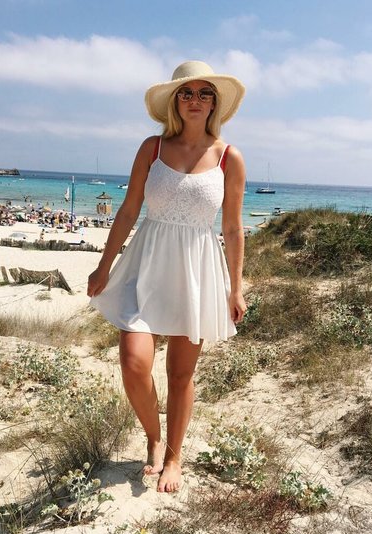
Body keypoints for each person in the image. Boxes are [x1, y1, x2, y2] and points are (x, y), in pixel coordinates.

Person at [87, 60, 247, 493]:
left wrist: (236, 288)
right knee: (133, 361)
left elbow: (233, 228)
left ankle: (174, 457)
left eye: (204, 93)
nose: (195, 100)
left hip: (196, 270)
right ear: (175, 101)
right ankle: (154, 438)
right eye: (187, 92)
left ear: (214, 103)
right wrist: (104, 264)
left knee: (180, 374)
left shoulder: (229, 157)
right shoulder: (152, 148)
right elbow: (128, 210)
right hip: (147, 263)